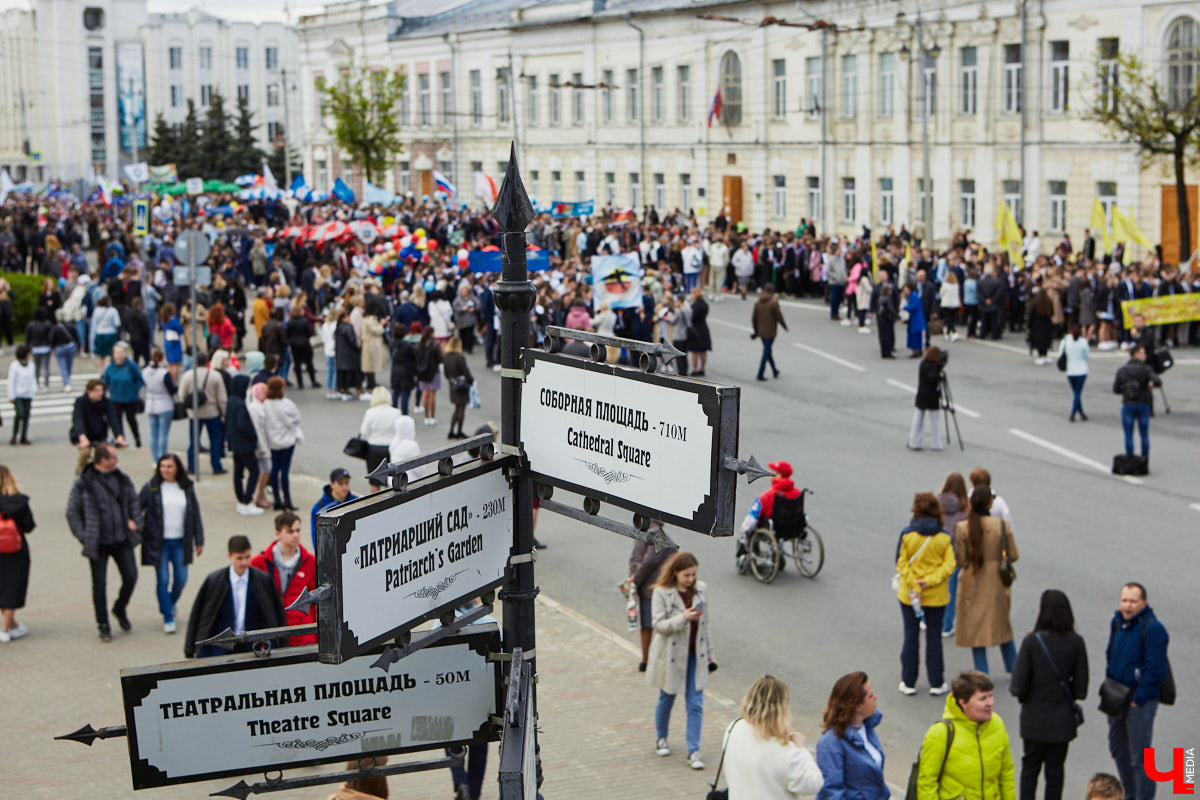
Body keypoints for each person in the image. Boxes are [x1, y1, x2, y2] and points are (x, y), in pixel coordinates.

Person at [1010, 589, 1088, 800]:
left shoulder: (1032, 642)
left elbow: (1017, 686)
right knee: (1055, 771)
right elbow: (1081, 689)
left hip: (1033, 720)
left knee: (1030, 769)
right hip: (1062, 721)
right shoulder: (1076, 642)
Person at [66, 442, 144, 642]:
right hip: (98, 543)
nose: (117, 461)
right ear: (103, 460)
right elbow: (72, 512)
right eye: (114, 457)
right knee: (99, 585)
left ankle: (119, 608)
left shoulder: (122, 479)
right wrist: (84, 536)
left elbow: (134, 502)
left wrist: (136, 521)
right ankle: (103, 624)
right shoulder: (84, 482)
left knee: (131, 577)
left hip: (122, 539)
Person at [647, 551, 714, 769]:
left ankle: (693, 751)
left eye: (693, 575)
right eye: (687, 575)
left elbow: (706, 626)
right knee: (667, 696)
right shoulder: (661, 592)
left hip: (695, 653)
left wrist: (711, 655)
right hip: (671, 656)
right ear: (675, 573)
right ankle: (661, 737)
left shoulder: (701, 589)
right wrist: (683, 618)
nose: (691, 580)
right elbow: (658, 625)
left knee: (695, 703)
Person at [1104, 582, 1170, 800]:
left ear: (1144, 602)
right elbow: (1110, 653)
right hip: (1116, 697)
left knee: (1140, 757)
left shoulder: (1153, 628)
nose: (1128, 606)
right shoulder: (1117, 622)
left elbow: (1157, 671)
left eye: (1133, 601)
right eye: (1124, 600)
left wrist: (1138, 699)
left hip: (1138, 702)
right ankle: (1130, 794)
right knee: (1118, 749)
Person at [916, 671, 1015, 800]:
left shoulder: (997, 724)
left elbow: (1006, 774)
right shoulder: (941, 733)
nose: (990, 703)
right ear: (963, 702)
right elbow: (926, 783)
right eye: (983, 698)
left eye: (990, 696)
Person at [183, 535, 286, 659]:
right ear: (229, 556)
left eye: (247, 557)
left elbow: (276, 613)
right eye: (239, 558)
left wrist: (282, 645)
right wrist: (190, 647)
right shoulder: (214, 581)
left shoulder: (263, 580)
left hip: (251, 647)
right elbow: (198, 614)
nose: (244, 562)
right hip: (219, 648)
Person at [723, 674, 824, 798]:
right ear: (782, 708)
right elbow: (813, 784)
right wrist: (802, 748)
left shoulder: (733, 727)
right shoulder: (784, 748)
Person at [896, 492, 956, 695]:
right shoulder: (945, 538)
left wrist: (915, 583)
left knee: (911, 635)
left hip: (910, 594)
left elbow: (901, 563)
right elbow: (950, 565)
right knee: (934, 638)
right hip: (936, 596)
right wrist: (929, 581)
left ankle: (908, 681)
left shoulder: (907, 535)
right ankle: (936, 682)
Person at [954, 486, 1019, 674]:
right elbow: (1013, 554)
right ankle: (1014, 667)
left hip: (972, 581)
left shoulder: (963, 528)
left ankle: (982, 673)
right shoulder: (1001, 525)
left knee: (976, 632)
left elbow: (962, 560)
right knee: (1003, 626)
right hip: (997, 582)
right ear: (990, 502)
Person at [139, 453, 205, 635]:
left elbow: (195, 514)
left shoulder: (186, 487)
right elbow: (136, 507)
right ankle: (168, 616)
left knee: (181, 579)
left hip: (180, 541)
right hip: (158, 543)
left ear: (177, 468)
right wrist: (135, 526)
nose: (165, 470)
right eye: (162, 466)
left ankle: (169, 603)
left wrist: (199, 540)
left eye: (169, 466)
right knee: (163, 580)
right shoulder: (152, 487)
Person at [815, 672, 888, 800]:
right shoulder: (830, 743)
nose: (875, 697)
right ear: (857, 707)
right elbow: (831, 793)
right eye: (870, 696)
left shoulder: (867, 727)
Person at [251, 512, 317, 646]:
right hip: (271, 630)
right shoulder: (259, 562)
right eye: (290, 531)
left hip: (301, 633)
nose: (296, 535)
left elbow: (316, 602)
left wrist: (317, 635)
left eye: (298, 530)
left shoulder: (311, 562)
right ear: (278, 533)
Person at [628, 529, 679, 671]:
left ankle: (645, 659)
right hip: (655, 587)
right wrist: (636, 581)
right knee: (658, 625)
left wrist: (634, 581)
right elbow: (650, 560)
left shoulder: (642, 532)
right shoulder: (657, 534)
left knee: (646, 625)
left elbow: (637, 558)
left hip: (647, 587)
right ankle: (651, 659)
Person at [176, 352, 228, 476]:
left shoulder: (188, 376)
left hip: (195, 413)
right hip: (212, 413)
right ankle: (216, 466)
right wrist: (224, 413)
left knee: (194, 441)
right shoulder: (215, 376)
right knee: (215, 440)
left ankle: (191, 467)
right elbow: (222, 398)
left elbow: (181, 395)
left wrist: (189, 407)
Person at [0, 465, 36, 642]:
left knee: (2, 587)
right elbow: (29, 526)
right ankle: (5, 629)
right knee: (13, 586)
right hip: (16, 549)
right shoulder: (19, 501)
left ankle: (12, 625)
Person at [1112, 345, 1160, 463]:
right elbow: (1157, 381)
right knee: (1144, 434)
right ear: (1136, 354)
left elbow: (1116, 389)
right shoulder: (1146, 369)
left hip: (1128, 404)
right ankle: (1144, 459)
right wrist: (1150, 385)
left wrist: (1125, 389)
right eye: (1143, 353)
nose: (1145, 356)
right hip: (1143, 403)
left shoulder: (1123, 370)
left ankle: (1130, 458)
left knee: (1129, 433)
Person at [223, 374, 263, 516]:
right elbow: (241, 425)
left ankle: (241, 500)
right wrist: (252, 434)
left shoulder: (231, 401)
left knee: (238, 472)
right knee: (254, 471)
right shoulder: (240, 403)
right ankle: (247, 500)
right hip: (244, 444)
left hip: (235, 443)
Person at [937, 473, 970, 639]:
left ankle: (925, 618)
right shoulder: (966, 509)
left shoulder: (937, 503)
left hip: (938, 552)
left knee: (933, 585)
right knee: (951, 590)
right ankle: (946, 625)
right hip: (956, 555)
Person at [262, 376, 302, 511]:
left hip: (272, 442)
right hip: (286, 441)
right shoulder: (287, 404)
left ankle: (277, 499)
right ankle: (287, 499)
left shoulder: (266, 404)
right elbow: (297, 418)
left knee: (274, 470)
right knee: (284, 471)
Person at [102, 343, 145, 449]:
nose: (120, 355)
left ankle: (137, 438)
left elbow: (139, 379)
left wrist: (134, 389)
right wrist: (107, 391)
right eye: (117, 353)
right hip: (115, 399)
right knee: (117, 420)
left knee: (131, 420)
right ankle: (121, 439)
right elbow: (104, 382)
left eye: (121, 352)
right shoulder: (110, 368)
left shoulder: (131, 365)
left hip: (130, 399)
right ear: (113, 355)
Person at [142, 349, 177, 463]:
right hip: (164, 404)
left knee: (153, 434)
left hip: (151, 404)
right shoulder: (164, 373)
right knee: (163, 434)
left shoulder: (145, 371)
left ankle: (155, 459)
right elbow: (171, 389)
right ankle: (162, 457)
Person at [311, 467, 358, 549]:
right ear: (332, 484)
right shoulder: (319, 508)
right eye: (340, 483)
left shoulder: (357, 502)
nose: (344, 486)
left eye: (346, 483)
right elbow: (316, 538)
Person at [908, 346, 944, 451]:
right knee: (934, 420)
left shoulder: (923, 363)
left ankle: (914, 441)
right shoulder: (933, 366)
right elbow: (932, 377)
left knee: (918, 418)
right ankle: (936, 443)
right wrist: (940, 376)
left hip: (921, 395)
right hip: (931, 396)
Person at [360, 385, 400, 474]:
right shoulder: (396, 412)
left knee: (374, 481)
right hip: (391, 448)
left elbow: (364, 432)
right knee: (390, 478)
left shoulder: (370, 412)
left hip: (374, 448)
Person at [752, 284, 788, 381]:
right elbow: (779, 317)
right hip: (770, 332)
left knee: (767, 351)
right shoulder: (773, 303)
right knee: (766, 352)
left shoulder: (758, 303)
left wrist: (756, 331)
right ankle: (760, 373)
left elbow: (754, 319)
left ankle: (775, 370)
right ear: (772, 292)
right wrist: (785, 326)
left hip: (761, 332)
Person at [442, 335, 474, 439]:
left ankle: (451, 431)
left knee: (456, 408)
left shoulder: (446, 357)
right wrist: (471, 380)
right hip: (462, 385)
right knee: (461, 408)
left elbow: (446, 373)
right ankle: (459, 431)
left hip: (453, 385)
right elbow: (466, 371)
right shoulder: (460, 357)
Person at [1057, 323, 1090, 422]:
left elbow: (1060, 354)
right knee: (1077, 393)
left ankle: (1075, 413)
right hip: (1082, 370)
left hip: (1070, 371)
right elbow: (1087, 355)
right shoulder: (1083, 342)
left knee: (1076, 393)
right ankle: (1078, 412)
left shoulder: (1065, 341)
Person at [6, 344, 35, 445]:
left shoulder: (31, 365)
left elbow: (33, 379)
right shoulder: (14, 366)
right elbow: (11, 381)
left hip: (28, 394)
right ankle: (14, 434)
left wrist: (33, 391)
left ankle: (23, 436)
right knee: (20, 413)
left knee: (27, 415)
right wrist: (11, 395)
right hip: (18, 394)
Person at [414, 326, 443, 425]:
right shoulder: (435, 345)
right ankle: (432, 417)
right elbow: (439, 359)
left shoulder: (420, 344)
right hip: (433, 371)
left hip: (422, 372)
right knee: (432, 394)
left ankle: (426, 417)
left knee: (425, 393)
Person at [388, 322, 417, 414]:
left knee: (396, 392)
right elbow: (413, 358)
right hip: (406, 371)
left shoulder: (391, 344)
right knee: (405, 393)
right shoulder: (407, 346)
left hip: (395, 370)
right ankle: (404, 414)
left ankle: (394, 412)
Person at [687, 287, 711, 376]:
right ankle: (702, 368)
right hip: (704, 328)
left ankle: (695, 369)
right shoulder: (705, 304)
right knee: (703, 351)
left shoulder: (695, 306)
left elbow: (691, 318)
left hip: (696, 329)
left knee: (695, 351)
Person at [903, 284, 927, 357]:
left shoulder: (913, 295)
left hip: (916, 318)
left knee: (915, 335)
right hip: (915, 318)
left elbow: (914, 306)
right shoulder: (913, 295)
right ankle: (917, 350)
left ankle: (916, 350)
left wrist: (904, 307)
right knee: (916, 335)